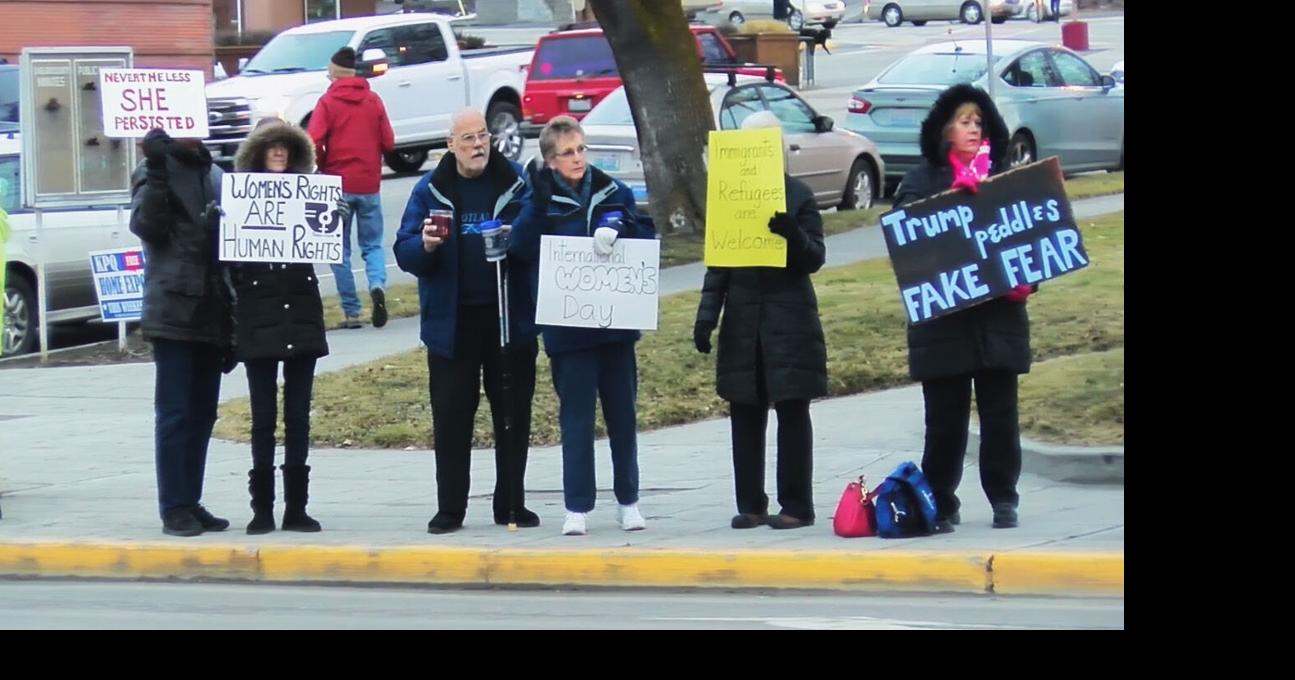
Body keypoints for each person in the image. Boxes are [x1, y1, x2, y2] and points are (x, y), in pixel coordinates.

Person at [893, 83, 1033, 532]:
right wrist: (954, 201)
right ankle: (941, 500)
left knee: (1000, 420)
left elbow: (1031, 238)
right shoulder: (920, 181)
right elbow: (907, 244)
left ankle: (1003, 498)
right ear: (944, 130)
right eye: (964, 121)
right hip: (943, 325)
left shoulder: (1007, 178)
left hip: (997, 321)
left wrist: (1024, 279)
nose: (974, 129)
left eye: (979, 122)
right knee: (945, 424)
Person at [393, 109, 541, 534]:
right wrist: (425, 244)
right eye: (468, 139)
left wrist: (516, 238)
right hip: (452, 324)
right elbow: (404, 252)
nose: (478, 145)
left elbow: (539, 233)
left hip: (508, 319)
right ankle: (450, 508)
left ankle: (511, 504)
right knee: (452, 417)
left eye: (483, 136)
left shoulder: (515, 181)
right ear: (450, 144)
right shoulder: (431, 188)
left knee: (512, 413)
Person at [510, 116, 655, 537]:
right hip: (568, 329)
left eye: (580, 149)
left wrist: (619, 226)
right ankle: (577, 506)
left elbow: (646, 235)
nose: (576, 158)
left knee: (622, 417)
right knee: (576, 420)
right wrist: (537, 204)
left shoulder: (614, 190)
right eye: (566, 153)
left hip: (615, 326)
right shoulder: (538, 197)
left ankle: (629, 500)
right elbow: (519, 248)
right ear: (550, 160)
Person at [693, 111, 827, 531]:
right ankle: (750, 503)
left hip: (790, 320)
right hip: (743, 324)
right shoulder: (729, 198)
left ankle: (796, 505)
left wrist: (793, 234)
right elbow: (719, 264)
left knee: (791, 413)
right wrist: (706, 318)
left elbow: (815, 258)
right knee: (745, 415)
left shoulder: (800, 195)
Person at [130, 128, 234, 537]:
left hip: (212, 307)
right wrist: (156, 169)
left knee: (202, 413)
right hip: (173, 307)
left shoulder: (214, 174)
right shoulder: (153, 169)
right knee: (175, 413)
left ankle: (190, 499)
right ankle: (173, 505)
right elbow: (147, 226)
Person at [230, 118, 331, 534]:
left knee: (298, 417)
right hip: (260, 316)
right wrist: (223, 222)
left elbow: (327, 245)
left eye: (285, 146)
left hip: (301, 314)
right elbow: (229, 262)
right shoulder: (239, 201)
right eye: (270, 145)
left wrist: (331, 218)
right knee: (262, 417)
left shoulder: (308, 194)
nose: (278, 152)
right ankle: (262, 508)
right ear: (257, 151)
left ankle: (296, 507)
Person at [308, 46, 396, 329]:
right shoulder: (373, 100)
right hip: (369, 184)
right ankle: (377, 284)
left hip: (337, 184)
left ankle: (352, 311)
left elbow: (314, 140)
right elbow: (389, 141)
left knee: (339, 249)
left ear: (334, 73)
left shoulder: (327, 102)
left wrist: (321, 164)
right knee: (372, 244)